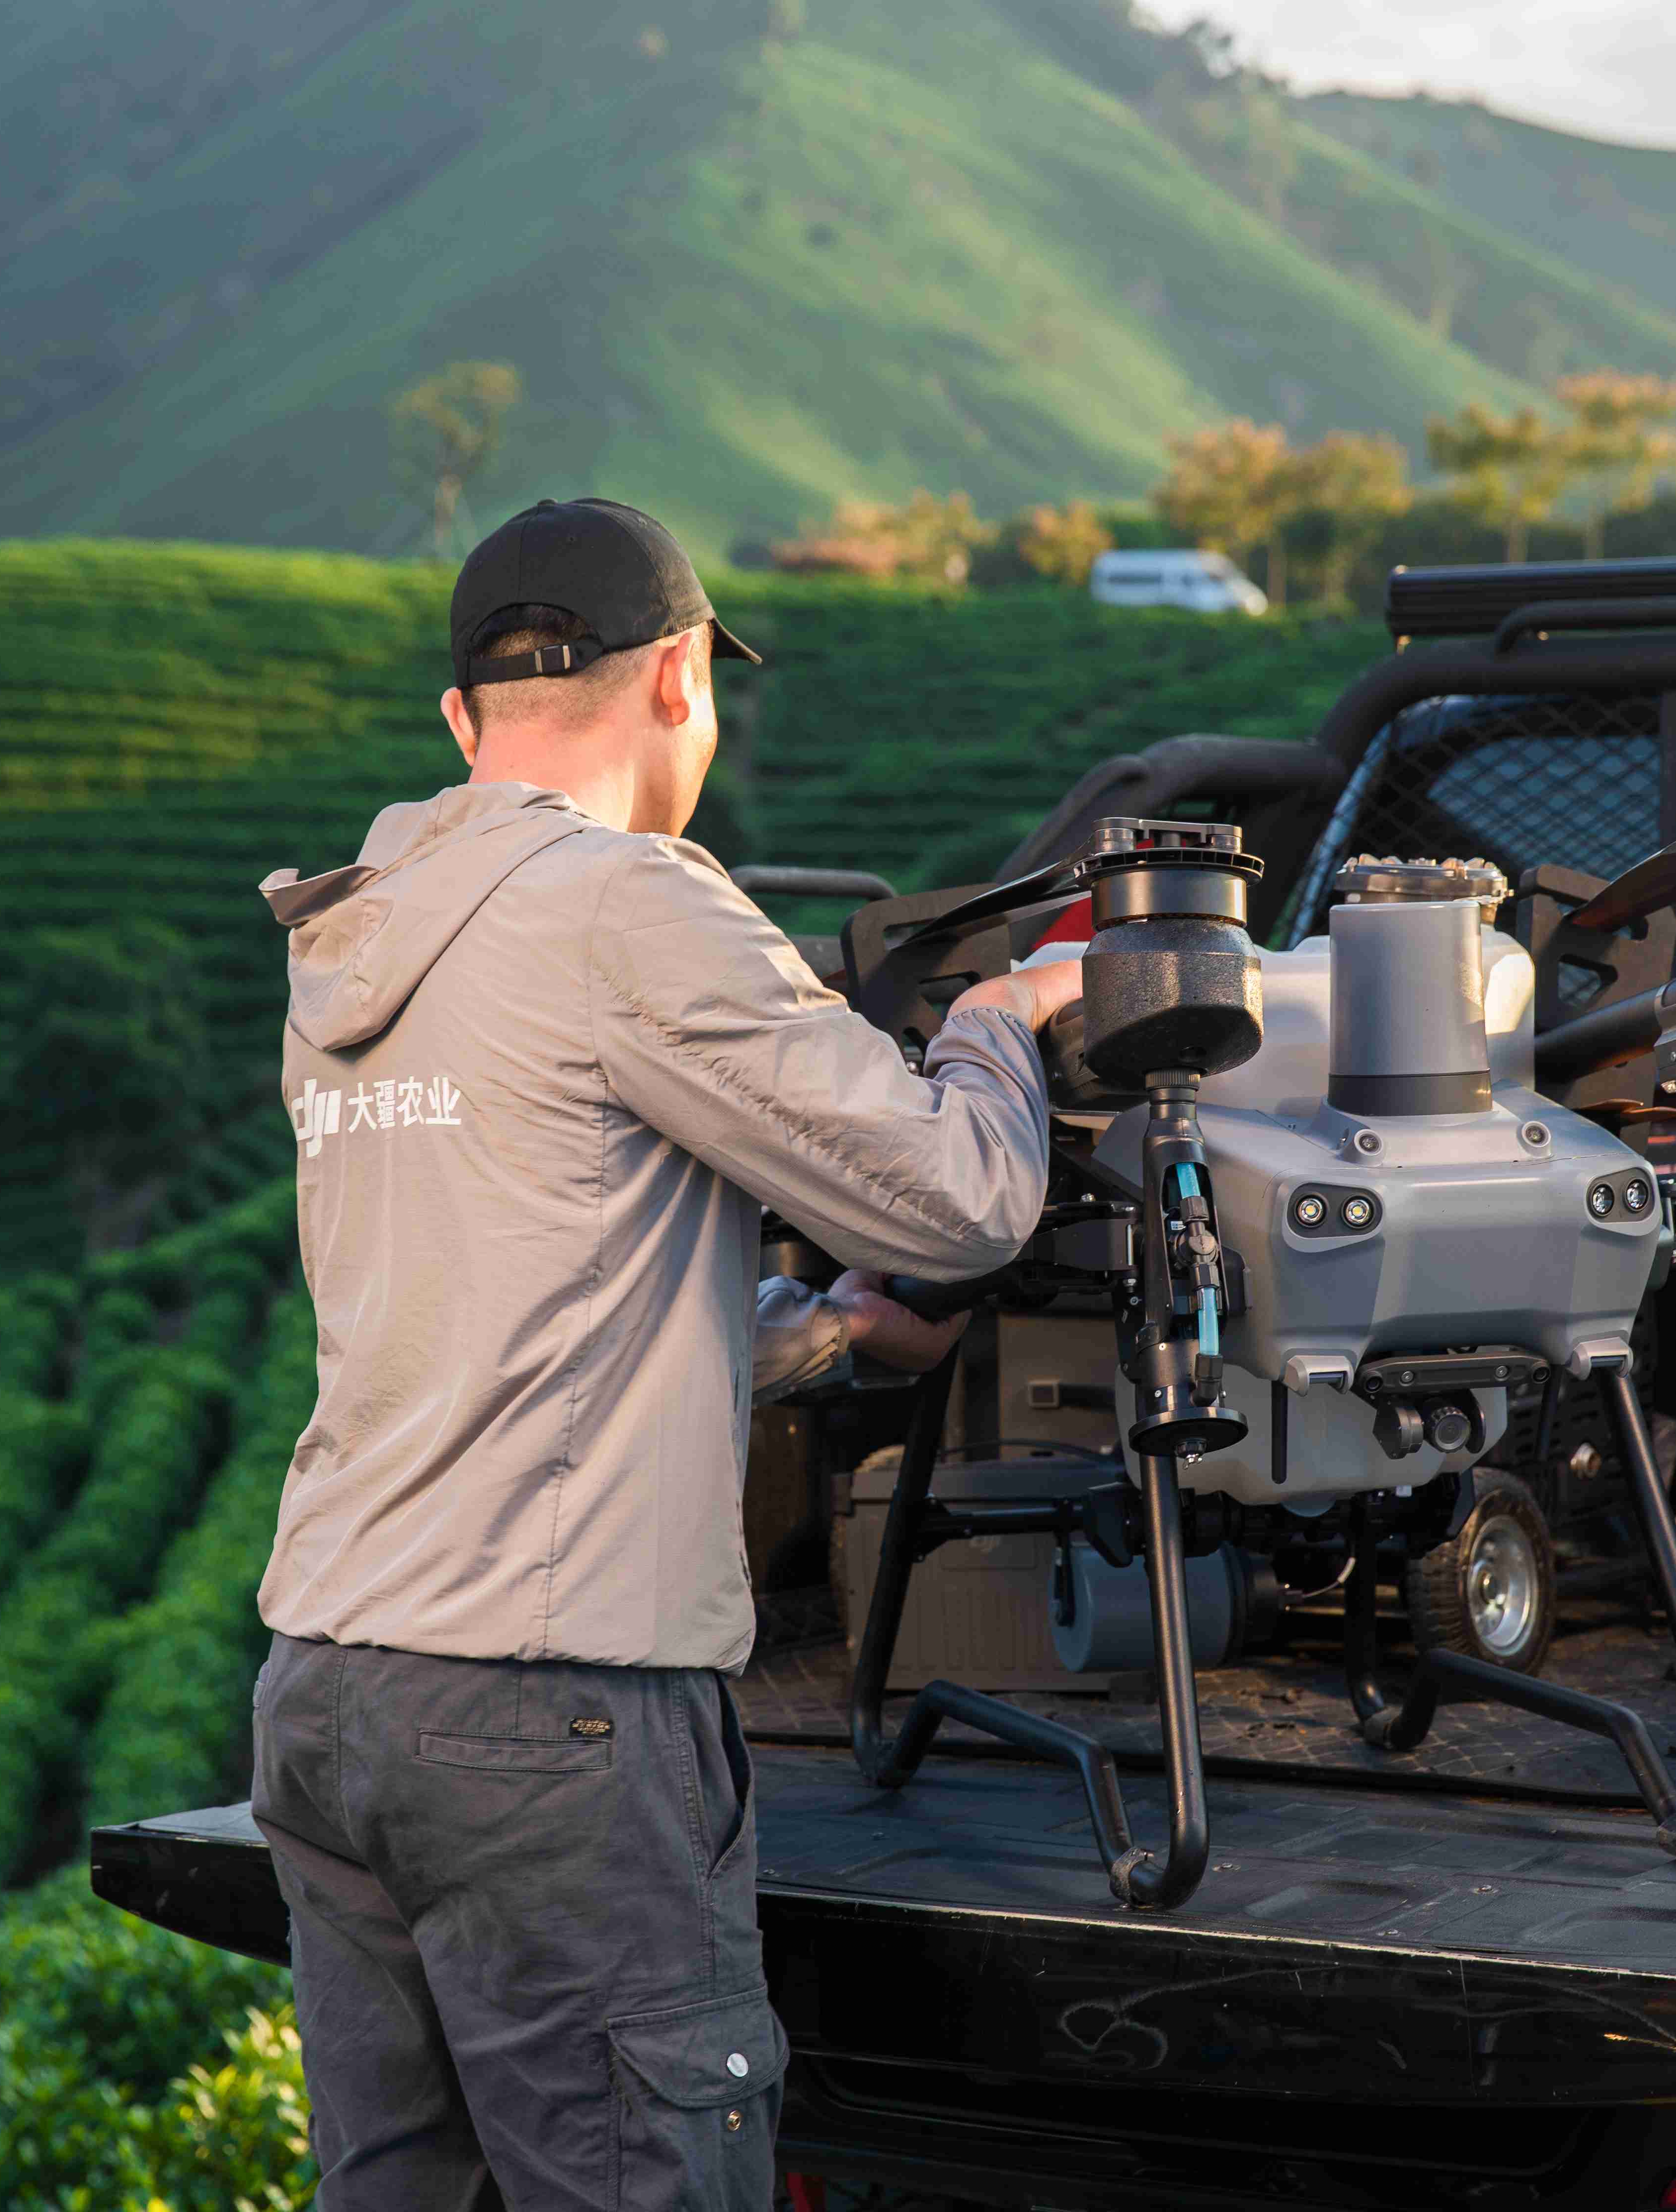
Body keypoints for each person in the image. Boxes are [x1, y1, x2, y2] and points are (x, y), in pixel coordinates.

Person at [248, 496, 1076, 2210]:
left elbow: (516, 1294)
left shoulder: (356, 932)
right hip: (549, 1721)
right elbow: (960, 1205)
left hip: (333, 1690)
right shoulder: (626, 907)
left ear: (465, 721)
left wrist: (827, 1330)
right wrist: (1000, 1028)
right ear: (684, 676)